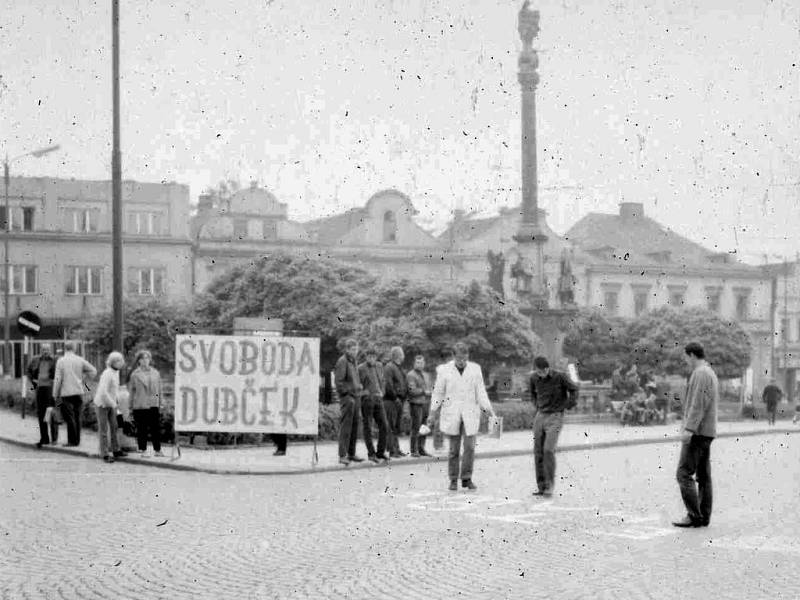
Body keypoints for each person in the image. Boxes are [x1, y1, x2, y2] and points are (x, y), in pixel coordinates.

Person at [426, 342, 496, 491]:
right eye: (459, 359)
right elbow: (438, 393)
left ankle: (466, 478)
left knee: (470, 447)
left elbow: (481, 392)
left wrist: (488, 409)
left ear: (468, 356)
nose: (462, 362)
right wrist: (432, 412)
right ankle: (453, 479)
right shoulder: (444, 370)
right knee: (454, 449)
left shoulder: (475, 369)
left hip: (470, 413)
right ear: (453, 356)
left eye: (465, 358)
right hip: (452, 413)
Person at [673, 342, 718, 528]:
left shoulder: (700, 373)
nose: (685, 361)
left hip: (697, 432)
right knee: (703, 476)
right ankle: (703, 515)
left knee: (683, 474)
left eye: (685, 357)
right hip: (707, 431)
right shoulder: (709, 372)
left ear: (691, 355)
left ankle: (694, 515)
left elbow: (697, 404)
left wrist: (689, 429)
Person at [529, 356, 578, 497]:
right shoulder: (533, 378)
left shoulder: (560, 376)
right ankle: (541, 486)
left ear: (547, 368)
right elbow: (532, 394)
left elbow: (574, 389)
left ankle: (550, 485)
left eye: (543, 371)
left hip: (555, 416)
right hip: (540, 415)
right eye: (538, 372)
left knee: (548, 450)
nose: (541, 374)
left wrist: (568, 404)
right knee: (538, 451)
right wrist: (536, 405)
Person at [53, 342, 97, 447]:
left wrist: (55, 393)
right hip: (78, 391)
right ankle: (77, 441)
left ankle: (71, 441)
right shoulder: (80, 360)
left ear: (65, 348)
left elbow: (58, 379)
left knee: (69, 417)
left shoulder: (61, 361)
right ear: (75, 348)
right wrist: (84, 380)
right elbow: (93, 371)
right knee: (77, 416)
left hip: (66, 392)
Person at [128, 350, 164, 457]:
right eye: (142, 358)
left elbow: (160, 389)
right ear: (138, 361)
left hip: (153, 403)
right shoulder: (135, 374)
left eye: (147, 358)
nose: (145, 360)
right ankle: (143, 449)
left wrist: (160, 403)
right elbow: (131, 391)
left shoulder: (155, 373)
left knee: (155, 427)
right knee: (142, 428)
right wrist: (130, 407)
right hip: (140, 403)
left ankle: (157, 450)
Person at [334, 338, 364, 466]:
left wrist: (358, 387)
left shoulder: (353, 361)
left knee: (354, 427)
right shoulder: (343, 361)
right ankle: (342, 455)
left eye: (356, 349)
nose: (355, 351)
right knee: (346, 427)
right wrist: (349, 394)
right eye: (353, 349)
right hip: (348, 398)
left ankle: (351, 453)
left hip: (356, 397)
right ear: (347, 349)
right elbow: (339, 382)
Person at [358, 346, 390, 463]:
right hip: (367, 400)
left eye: (373, 356)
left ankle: (380, 452)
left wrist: (382, 391)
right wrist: (364, 393)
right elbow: (358, 385)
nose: (371, 359)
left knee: (384, 425)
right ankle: (371, 453)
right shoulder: (360, 368)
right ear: (366, 357)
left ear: (376, 357)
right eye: (369, 356)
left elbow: (383, 381)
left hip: (378, 399)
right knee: (368, 427)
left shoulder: (379, 366)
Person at [93, 351, 126, 463]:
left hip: (111, 403)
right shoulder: (107, 373)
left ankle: (116, 449)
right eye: (117, 361)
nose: (119, 362)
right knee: (103, 429)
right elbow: (103, 392)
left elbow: (114, 390)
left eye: (120, 360)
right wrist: (113, 404)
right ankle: (105, 454)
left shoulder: (116, 372)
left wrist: (116, 404)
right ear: (111, 362)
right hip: (102, 404)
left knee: (114, 426)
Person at [26, 343, 58, 448]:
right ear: (40, 350)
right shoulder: (35, 359)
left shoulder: (54, 360)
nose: (46, 351)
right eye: (44, 349)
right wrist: (33, 382)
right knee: (41, 414)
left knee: (51, 413)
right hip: (39, 389)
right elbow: (28, 371)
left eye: (47, 349)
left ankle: (54, 439)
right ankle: (44, 438)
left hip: (50, 389)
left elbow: (59, 374)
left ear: (50, 350)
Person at [383, 346, 408, 458]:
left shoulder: (398, 368)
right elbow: (388, 385)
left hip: (398, 401)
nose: (404, 356)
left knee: (396, 426)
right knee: (391, 426)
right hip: (391, 401)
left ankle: (396, 449)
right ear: (398, 355)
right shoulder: (389, 367)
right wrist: (395, 398)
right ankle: (392, 450)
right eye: (402, 353)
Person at [406, 354, 432, 457]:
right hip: (416, 403)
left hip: (425, 403)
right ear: (414, 363)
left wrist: (429, 392)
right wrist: (424, 391)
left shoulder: (426, 375)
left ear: (424, 363)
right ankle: (414, 450)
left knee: (424, 427)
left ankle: (422, 448)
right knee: (416, 427)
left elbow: (429, 388)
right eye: (417, 362)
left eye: (421, 362)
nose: (419, 364)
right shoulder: (411, 375)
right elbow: (412, 390)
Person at [431, 347, 455, 450]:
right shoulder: (443, 369)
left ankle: (440, 444)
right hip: (444, 399)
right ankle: (438, 444)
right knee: (439, 422)